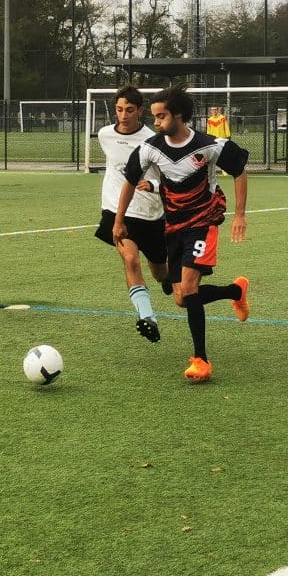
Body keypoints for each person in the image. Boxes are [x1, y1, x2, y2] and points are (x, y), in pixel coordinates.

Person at [115, 83, 250, 383]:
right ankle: (235, 291)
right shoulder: (151, 148)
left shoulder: (210, 145)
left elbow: (239, 169)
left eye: (161, 117)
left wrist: (240, 214)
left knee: (188, 290)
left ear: (178, 116)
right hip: (172, 227)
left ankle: (201, 360)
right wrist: (119, 219)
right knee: (181, 299)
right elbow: (129, 179)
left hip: (203, 223)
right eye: (154, 117)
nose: (156, 122)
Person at [95, 85, 169, 343]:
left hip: (150, 213)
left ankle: (167, 280)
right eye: (118, 110)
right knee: (131, 260)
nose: (123, 116)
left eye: (129, 110)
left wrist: (155, 186)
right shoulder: (104, 134)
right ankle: (147, 317)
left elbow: (169, 177)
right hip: (116, 209)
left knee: (161, 273)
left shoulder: (153, 140)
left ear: (140, 111)